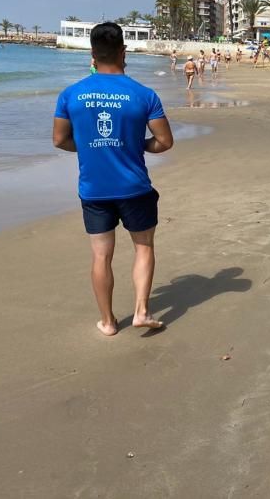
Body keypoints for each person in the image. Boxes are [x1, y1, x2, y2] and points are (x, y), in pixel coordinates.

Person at [52, 22, 174, 336]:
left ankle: (107, 322)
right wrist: (132, 145)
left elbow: (59, 139)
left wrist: (93, 147)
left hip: (94, 189)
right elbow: (164, 141)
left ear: (92, 55)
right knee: (143, 248)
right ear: (123, 52)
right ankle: (141, 311)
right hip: (134, 186)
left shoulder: (71, 94)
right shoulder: (144, 95)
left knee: (101, 255)